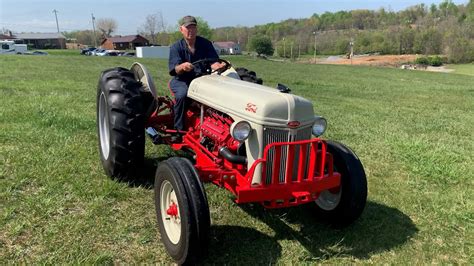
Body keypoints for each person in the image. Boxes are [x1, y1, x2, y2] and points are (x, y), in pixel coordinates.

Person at [168, 15, 225, 137]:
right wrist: (182, 66)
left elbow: (213, 61)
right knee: (182, 95)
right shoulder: (176, 47)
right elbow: (174, 69)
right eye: (188, 27)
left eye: (193, 27)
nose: (191, 30)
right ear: (181, 29)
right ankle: (179, 130)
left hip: (202, 79)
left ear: (196, 29)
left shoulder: (205, 44)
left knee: (221, 93)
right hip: (182, 80)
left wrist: (217, 66)